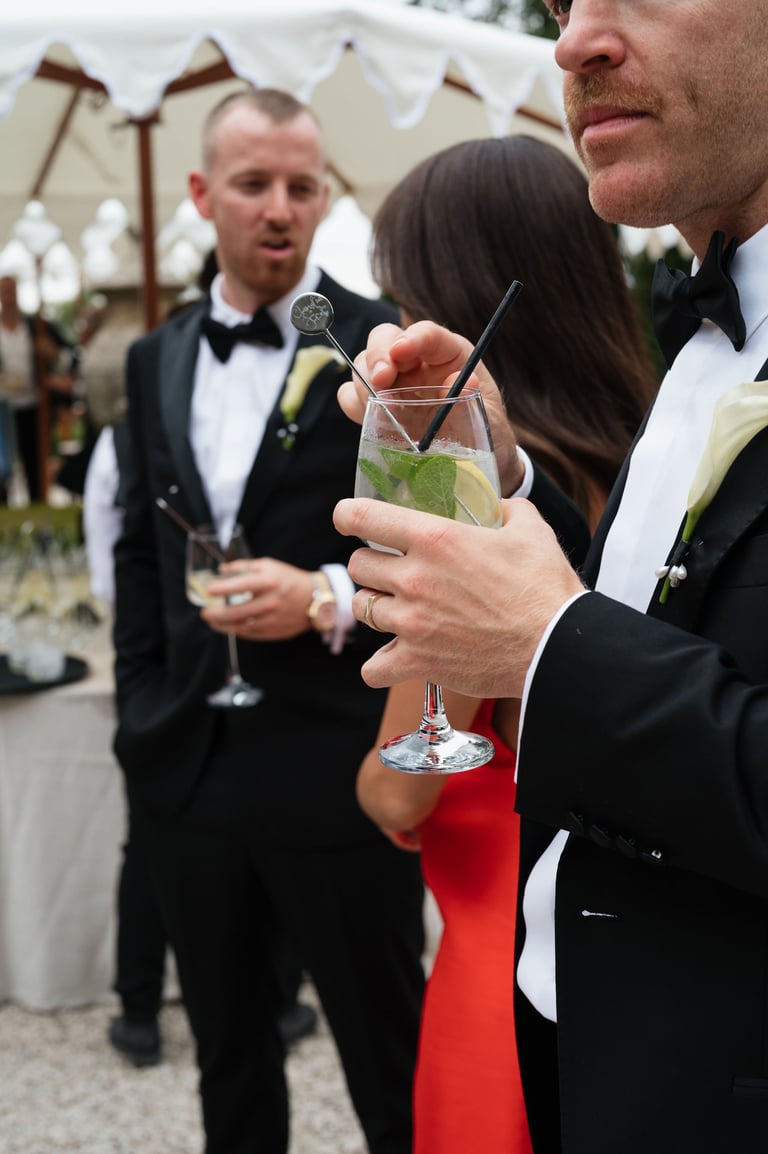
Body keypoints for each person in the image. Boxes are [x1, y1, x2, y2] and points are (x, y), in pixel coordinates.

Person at [334, 2, 768, 1150]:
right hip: (573, 1049)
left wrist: (551, 639)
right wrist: (495, 472)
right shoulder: (702, 345)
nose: (573, 41)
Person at [112, 88, 425, 1152]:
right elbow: (136, 550)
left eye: (303, 184)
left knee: (394, 1064)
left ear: (325, 193)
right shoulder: (153, 356)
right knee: (230, 1068)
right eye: (254, 184)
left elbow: (432, 549)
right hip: (188, 769)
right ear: (203, 194)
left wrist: (326, 596)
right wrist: (140, 714)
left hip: (339, 766)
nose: (281, 207)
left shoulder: (381, 344)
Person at [355, 135, 656, 1153]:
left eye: (406, 298)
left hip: (508, 973)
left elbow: (399, 791)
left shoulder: (479, 511)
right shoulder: (659, 465)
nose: (394, 330)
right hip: (648, 979)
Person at [0, 275, 75, 502]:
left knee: (34, 460)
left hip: (34, 403)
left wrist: (51, 353)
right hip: (3, 405)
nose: (9, 296)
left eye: (12, 290)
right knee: (4, 463)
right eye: (4, 290)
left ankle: (37, 501)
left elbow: (69, 358)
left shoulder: (36, 326)